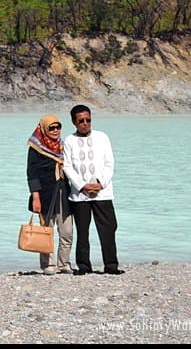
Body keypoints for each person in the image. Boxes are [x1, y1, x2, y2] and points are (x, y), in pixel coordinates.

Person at [63, 104, 124, 275]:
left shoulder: (102, 137)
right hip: (80, 195)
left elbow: (109, 163)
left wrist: (100, 183)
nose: (85, 123)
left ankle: (111, 265)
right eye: (81, 121)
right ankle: (83, 266)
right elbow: (67, 166)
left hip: (102, 193)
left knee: (109, 228)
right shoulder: (69, 141)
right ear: (74, 122)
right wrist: (82, 185)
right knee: (82, 232)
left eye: (88, 120)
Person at [25, 113, 73, 274]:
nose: (55, 130)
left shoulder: (64, 146)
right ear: (44, 128)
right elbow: (32, 174)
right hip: (45, 194)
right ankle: (48, 264)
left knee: (66, 230)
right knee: (47, 230)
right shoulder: (36, 148)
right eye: (51, 127)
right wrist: (36, 197)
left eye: (58, 126)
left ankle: (64, 263)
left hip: (64, 193)